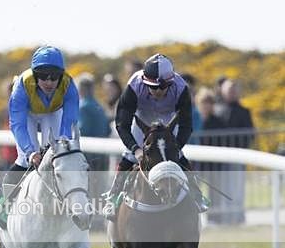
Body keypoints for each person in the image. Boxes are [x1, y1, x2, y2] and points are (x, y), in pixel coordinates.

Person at [103, 53, 209, 218]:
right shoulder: (134, 86)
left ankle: (196, 194)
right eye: (152, 87)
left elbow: (187, 125)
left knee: (178, 156)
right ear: (145, 82)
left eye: (162, 87)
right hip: (141, 120)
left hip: (168, 121)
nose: (158, 91)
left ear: (171, 83)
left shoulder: (181, 88)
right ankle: (113, 197)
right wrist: (136, 150)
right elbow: (122, 125)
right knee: (129, 157)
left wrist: (176, 148)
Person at [6, 45, 79, 186]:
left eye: (54, 76)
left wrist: (64, 140)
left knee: (56, 155)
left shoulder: (69, 85)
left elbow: (69, 120)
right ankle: (5, 204)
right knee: (25, 159)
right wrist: (29, 152)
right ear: (34, 75)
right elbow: (18, 125)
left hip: (53, 111)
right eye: (43, 76)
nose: (49, 82)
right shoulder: (22, 86)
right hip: (28, 114)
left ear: (61, 75)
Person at [220, 79, 254, 224]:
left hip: (238, 158)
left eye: (234, 90)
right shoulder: (218, 110)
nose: (232, 93)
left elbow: (249, 133)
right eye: (229, 90)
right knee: (222, 189)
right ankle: (224, 218)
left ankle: (238, 217)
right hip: (220, 159)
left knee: (237, 189)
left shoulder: (244, 111)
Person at [195, 88, 228, 224]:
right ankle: (196, 218)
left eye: (209, 102)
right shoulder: (194, 120)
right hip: (197, 163)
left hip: (213, 163)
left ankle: (215, 218)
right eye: (204, 102)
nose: (206, 105)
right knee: (195, 190)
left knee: (215, 192)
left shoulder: (218, 121)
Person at [75, 73, 110, 139]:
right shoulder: (99, 105)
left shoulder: (83, 107)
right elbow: (108, 130)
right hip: (103, 143)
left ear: (81, 89)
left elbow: (83, 130)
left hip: (90, 146)